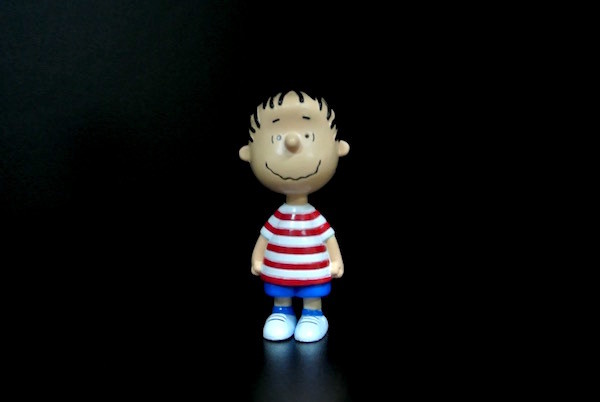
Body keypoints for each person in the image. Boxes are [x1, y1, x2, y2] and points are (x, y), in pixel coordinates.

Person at [239, 90, 350, 342]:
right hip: (279, 272)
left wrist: (336, 261)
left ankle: (313, 314)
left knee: (312, 292)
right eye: (276, 138)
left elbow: (328, 238)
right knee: (280, 292)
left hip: (313, 272)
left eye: (308, 136)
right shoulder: (278, 217)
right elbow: (265, 238)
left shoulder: (315, 218)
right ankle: (281, 312)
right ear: (249, 153)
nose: (291, 142)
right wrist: (257, 259)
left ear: (339, 148)